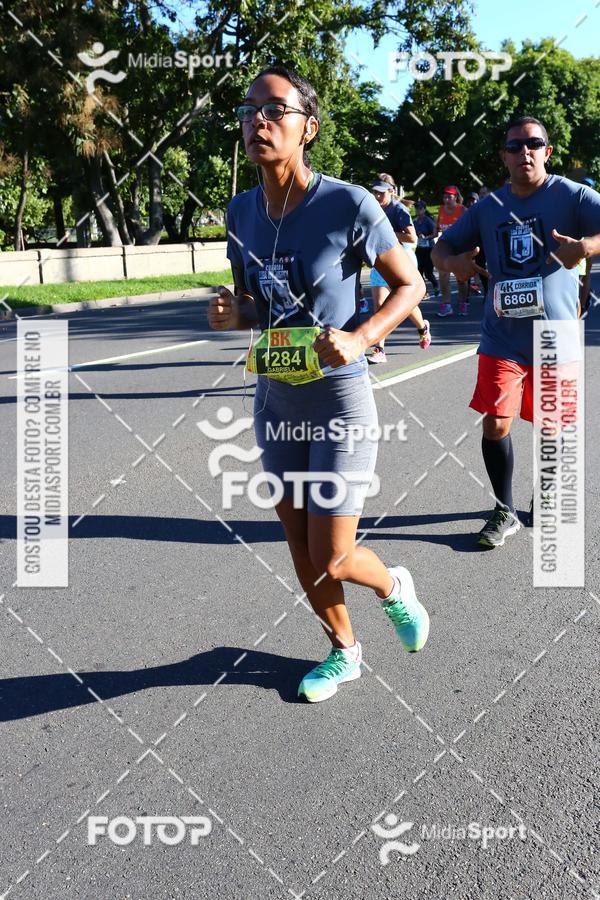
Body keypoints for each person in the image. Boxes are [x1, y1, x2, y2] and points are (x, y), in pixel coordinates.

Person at [209, 65, 430, 702]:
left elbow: (409, 283)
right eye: (250, 110)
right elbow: (258, 306)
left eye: (275, 109)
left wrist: (362, 337)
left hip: (338, 398)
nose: (258, 121)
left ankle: (393, 587)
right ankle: (344, 652)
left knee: (333, 552)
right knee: (298, 543)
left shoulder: (349, 203)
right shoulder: (241, 210)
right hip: (276, 396)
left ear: (307, 127)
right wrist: (235, 314)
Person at [432, 115, 600, 548]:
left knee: (551, 429)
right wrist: (453, 264)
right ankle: (504, 509)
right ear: (504, 156)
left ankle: (544, 496)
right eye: (514, 146)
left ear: (547, 151)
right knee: (496, 424)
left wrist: (587, 246)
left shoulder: (573, 196)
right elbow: (441, 247)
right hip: (502, 336)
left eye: (533, 144)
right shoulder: (487, 208)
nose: (523, 152)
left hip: (556, 338)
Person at [368, 175, 432, 361]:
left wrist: (387, 233)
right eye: (375, 192)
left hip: (402, 260)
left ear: (391, 192)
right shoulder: (372, 209)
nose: (377, 196)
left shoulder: (399, 210)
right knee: (380, 306)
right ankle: (379, 350)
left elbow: (412, 238)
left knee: (406, 304)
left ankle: (422, 327)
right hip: (379, 260)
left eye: (381, 193)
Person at [435, 186, 469, 316]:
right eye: (445, 197)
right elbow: (437, 227)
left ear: (456, 197)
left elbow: (470, 227)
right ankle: (446, 304)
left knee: (461, 278)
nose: (447, 199)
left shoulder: (462, 210)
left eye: (450, 196)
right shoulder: (441, 210)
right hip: (445, 247)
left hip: (460, 247)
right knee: (443, 275)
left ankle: (462, 302)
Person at [413, 200, 440, 299]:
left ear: (424, 209)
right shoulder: (415, 221)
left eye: (420, 208)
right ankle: (424, 292)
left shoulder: (428, 220)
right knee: (419, 272)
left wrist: (426, 237)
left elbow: (435, 234)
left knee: (428, 273)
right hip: (420, 249)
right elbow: (413, 233)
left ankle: (436, 285)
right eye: (416, 208)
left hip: (429, 249)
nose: (417, 210)